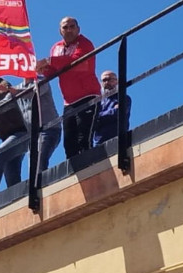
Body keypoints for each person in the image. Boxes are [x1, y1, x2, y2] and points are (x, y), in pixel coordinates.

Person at [38, 16, 99, 161]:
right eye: (65, 27)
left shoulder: (85, 43)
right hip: (68, 102)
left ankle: (89, 171)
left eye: (72, 26)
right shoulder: (56, 48)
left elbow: (77, 62)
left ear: (78, 29)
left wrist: (49, 61)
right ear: (60, 31)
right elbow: (53, 71)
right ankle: (74, 176)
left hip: (88, 95)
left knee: (84, 138)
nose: (69, 30)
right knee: (69, 143)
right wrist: (42, 69)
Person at [17, 75, 61, 173]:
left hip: (49, 129)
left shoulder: (41, 80)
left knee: (39, 162)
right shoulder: (17, 88)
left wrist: (14, 92)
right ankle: (39, 186)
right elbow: (2, 105)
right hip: (33, 135)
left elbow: (33, 94)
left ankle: (44, 186)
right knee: (33, 167)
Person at [93, 70, 131, 147]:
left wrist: (99, 116)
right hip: (99, 142)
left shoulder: (123, 98)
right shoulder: (98, 102)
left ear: (117, 81)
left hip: (117, 139)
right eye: (104, 80)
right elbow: (93, 120)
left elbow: (118, 112)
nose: (107, 82)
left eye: (110, 79)